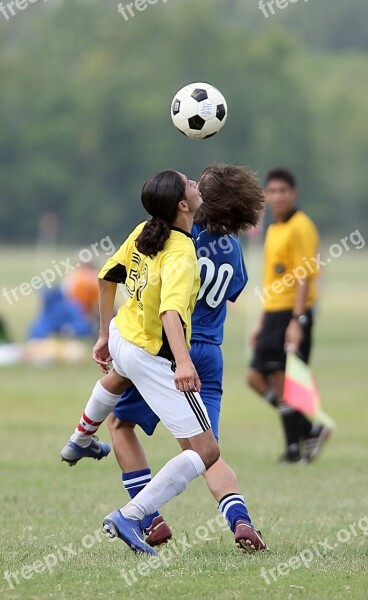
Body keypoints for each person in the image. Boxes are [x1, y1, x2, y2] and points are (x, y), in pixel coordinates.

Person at [105, 164, 267, 552]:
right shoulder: (233, 248)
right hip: (211, 353)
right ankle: (240, 521)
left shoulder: (179, 237)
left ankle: (147, 517)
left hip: (171, 350)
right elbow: (234, 291)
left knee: (117, 424)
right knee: (206, 452)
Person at [246, 168, 331, 463]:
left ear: (293, 193)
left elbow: (304, 274)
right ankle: (308, 429)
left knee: (282, 378)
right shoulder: (273, 229)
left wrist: (298, 320)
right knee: (256, 377)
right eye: (272, 191)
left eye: (283, 191)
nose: (277, 196)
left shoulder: (301, 225)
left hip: (290, 312)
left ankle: (294, 448)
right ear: (266, 196)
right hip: (272, 312)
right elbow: (272, 279)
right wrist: (260, 321)